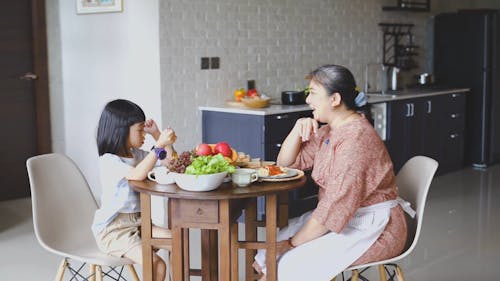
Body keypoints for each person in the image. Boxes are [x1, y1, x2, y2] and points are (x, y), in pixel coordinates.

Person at [253, 65, 412, 280]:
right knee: (269, 249)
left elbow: (333, 210)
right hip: (345, 218)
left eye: (313, 93)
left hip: (375, 229)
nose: (308, 99)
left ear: (335, 99)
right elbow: (286, 165)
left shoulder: (355, 141)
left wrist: (291, 244)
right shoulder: (331, 131)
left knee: (290, 261)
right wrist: (297, 129)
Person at [92, 99, 177, 281]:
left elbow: (170, 162)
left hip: (140, 223)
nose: (143, 134)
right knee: (156, 264)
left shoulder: (137, 155)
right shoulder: (109, 161)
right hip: (114, 230)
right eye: (140, 130)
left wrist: (157, 135)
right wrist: (159, 145)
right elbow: (137, 174)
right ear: (121, 131)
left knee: (179, 241)